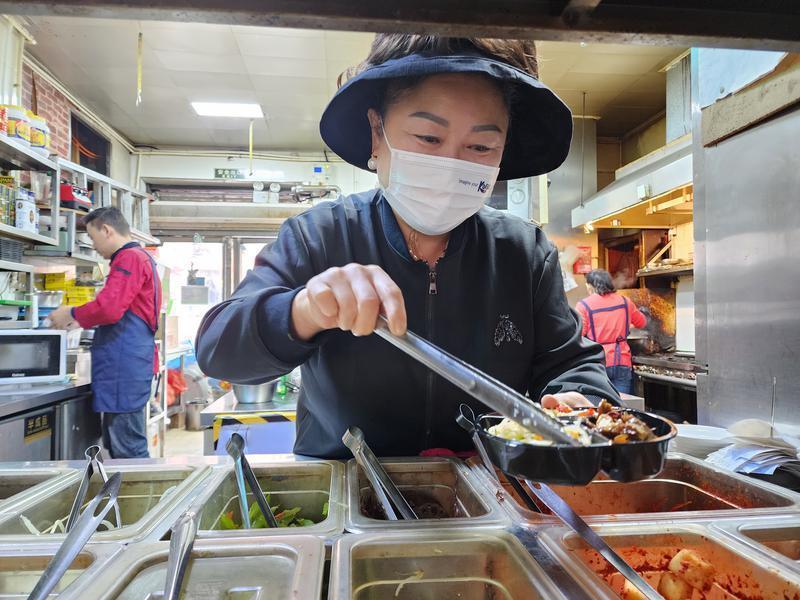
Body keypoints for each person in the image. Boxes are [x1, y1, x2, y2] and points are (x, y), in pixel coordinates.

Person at [196, 35, 620, 459]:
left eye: (481, 147)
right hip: (349, 483)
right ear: (376, 134)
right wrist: (304, 311)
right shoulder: (320, 235)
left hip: (484, 488)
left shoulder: (523, 252)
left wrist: (578, 402)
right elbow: (219, 349)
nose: (452, 165)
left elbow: (571, 363)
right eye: (428, 138)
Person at [49, 207, 161, 458]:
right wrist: (80, 321)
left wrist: (71, 313)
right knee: (121, 447)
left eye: (92, 237)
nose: (93, 245)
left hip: (124, 369)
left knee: (128, 450)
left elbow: (109, 308)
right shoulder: (138, 257)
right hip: (126, 367)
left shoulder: (129, 258)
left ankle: (139, 487)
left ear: (107, 230)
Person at [576, 269, 647, 395]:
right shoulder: (625, 302)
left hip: (598, 361)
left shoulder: (584, 305)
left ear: (591, 285)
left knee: (600, 402)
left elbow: (579, 334)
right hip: (622, 361)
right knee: (621, 402)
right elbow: (642, 323)